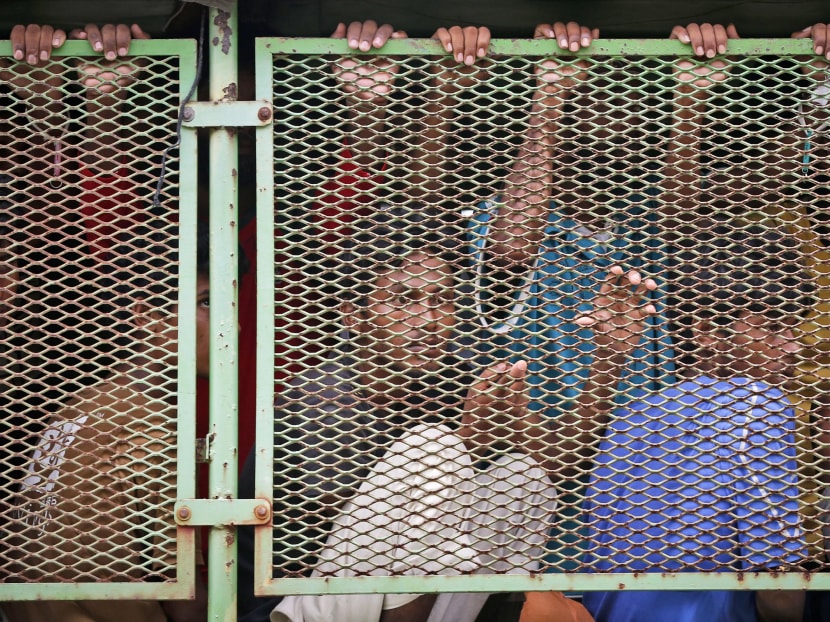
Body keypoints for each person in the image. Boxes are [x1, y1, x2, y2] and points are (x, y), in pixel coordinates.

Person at [237, 204, 658, 622]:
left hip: (415, 599)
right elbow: (336, 533)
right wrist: (468, 444)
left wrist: (607, 359)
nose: (428, 319)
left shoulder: (456, 372)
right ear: (354, 315)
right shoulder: (319, 396)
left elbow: (551, 466)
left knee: (521, 476)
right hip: (303, 599)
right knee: (434, 448)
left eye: (442, 299)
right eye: (405, 299)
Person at [580, 219, 813, 622]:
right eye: (775, 327)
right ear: (706, 331)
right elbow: (779, 586)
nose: (793, 345)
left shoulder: (629, 417)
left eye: (794, 327)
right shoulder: (761, 406)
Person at [0, 224, 211, 622]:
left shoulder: (86, 404)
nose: (228, 325)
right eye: (205, 302)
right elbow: (183, 594)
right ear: (148, 317)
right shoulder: (146, 421)